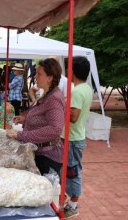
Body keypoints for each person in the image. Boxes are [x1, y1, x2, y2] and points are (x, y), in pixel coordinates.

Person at [6, 58, 65, 176]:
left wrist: (21, 135)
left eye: (39, 74)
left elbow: (55, 129)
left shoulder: (54, 98)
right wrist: (25, 119)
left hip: (47, 157)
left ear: (50, 77)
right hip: (39, 153)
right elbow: (42, 116)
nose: (36, 77)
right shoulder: (47, 94)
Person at [62, 56, 93, 219]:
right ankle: (69, 202)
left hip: (73, 139)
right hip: (76, 137)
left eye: (69, 68)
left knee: (73, 172)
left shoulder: (77, 91)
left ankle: (73, 206)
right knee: (70, 171)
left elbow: (73, 117)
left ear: (73, 71)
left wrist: (62, 108)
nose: (67, 71)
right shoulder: (86, 89)